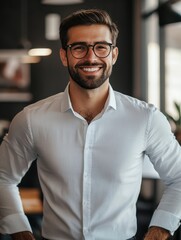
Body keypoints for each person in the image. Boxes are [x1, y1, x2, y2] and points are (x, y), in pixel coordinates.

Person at [0, 8, 181, 240]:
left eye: (101, 47)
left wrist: (159, 230)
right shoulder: (31, 119)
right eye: (79, 47)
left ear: (113, 55)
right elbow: (4, 178)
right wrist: (20, 232)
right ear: (64, 55)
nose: (91, 57)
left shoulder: (146, 118)